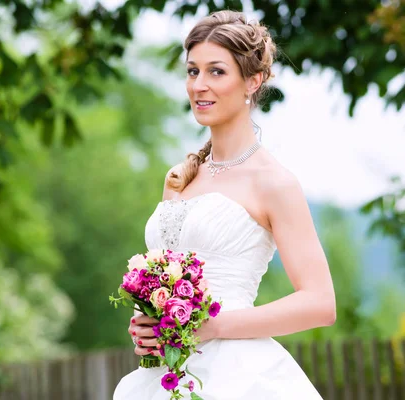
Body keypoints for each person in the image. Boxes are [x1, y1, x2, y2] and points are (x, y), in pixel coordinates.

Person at [113, 10, 335, 400]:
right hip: (166, 376)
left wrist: (214, 327)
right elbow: (165, 279)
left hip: (238, 376)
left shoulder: (274, 183)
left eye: (216, 72)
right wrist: (147, 322)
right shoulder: (180, 178)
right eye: (192, 71)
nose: (199, 85)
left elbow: (320, 303)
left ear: (253, 80)